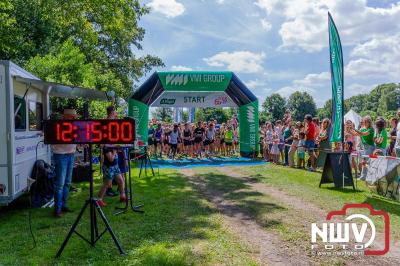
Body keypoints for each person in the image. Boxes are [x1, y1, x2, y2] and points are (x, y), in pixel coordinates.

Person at [51, 109, 78, 217]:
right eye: (72, 116)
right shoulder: (57, 126)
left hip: (71, 154)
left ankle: (63, 205)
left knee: (67, 182)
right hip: (60, 155)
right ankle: (57, 209)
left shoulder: (74, 125)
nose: (74, 118)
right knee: (60, 184)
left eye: (74, 116)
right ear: (66, 116)